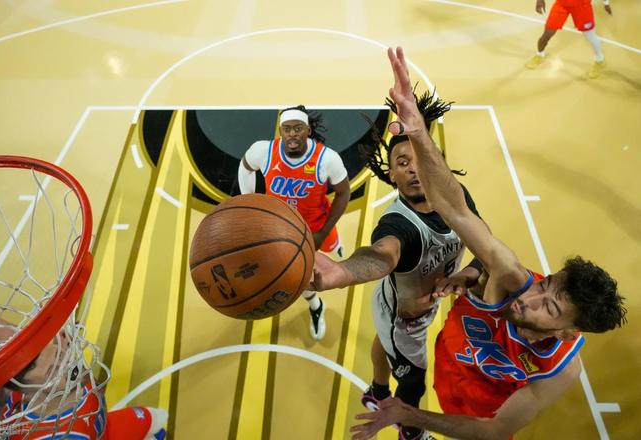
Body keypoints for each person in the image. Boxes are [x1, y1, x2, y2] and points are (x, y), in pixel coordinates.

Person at [349, 46, 626, 440]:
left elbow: (495, 429)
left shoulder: (560, 369)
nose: (530, 297)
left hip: (478, 416)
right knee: (394, 337)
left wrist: (414, 417)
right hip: (445, 366)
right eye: (545, 284)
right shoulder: (510, 277)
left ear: (566, 332)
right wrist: (418, 131)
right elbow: (456, 210)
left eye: (548, 307)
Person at [312, 91, 484, 440]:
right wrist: (344, 272)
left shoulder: (458, 196)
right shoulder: (398, 225)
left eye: (419, 159)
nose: (413, 168)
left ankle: (377, 390)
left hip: (407, 302)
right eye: (402, 163)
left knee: (384, 341)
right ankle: (411, 431)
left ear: (437, 163)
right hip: (404, 321)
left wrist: (470, 272)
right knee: (413, 382)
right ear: (391, 175)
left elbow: (486, 246)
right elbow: (380, 256)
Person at [238, 105, 351, 340]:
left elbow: (344, 193)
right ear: (280, 130)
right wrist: (249, 203)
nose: (292, 134)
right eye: (287, 129)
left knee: (333, 246)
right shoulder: (263, 151)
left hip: (316, 225)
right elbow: (245, 166)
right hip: (282, 231)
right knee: (299, 278)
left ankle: (335, 243)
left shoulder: (327, 159)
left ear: (308, 130)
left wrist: (323, 232)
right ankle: (316, 306)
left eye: (298, 128)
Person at [0, 312, 167, 439]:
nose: (66, 366)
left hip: (103, 428)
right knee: (153, 421)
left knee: (154, 419)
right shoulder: (80, 382)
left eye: (60, 355)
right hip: (99, 428)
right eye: (52, 370)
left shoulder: (26, 385)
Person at [525, 0, 612, 79]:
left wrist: (606, 3)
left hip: (582, 5)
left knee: (591, 37)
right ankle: (539, 55)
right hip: (562, 4)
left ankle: (600, 60)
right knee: (547, 34)